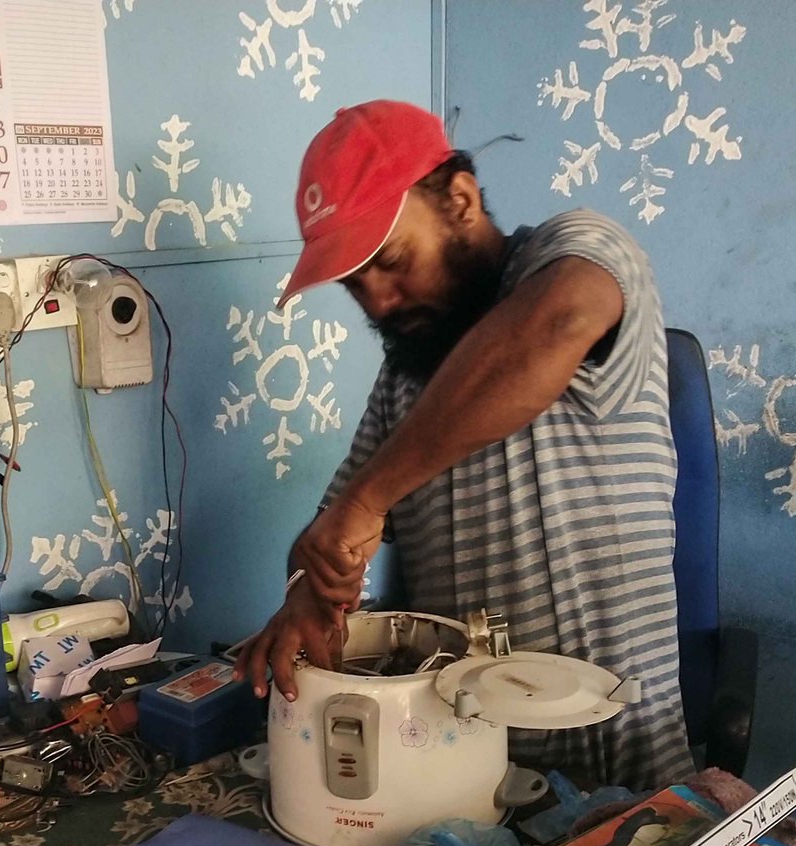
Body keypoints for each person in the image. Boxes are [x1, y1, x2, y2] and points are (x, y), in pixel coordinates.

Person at [235, 99, 693, 791]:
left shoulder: (581, 252)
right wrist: (308, 588)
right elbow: (332, 532)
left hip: (615, 762)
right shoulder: (408, 372)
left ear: (460, 200)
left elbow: (558, 322)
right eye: (355, 284)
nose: (379, 302)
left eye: (392, 261)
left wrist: (368, 499)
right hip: (465, 768)